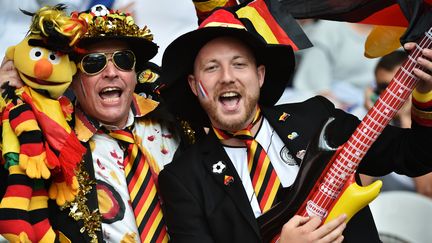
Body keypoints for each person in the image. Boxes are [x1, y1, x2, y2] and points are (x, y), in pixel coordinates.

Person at [156, 8, 432, 243]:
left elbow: (417, 155)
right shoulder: (183, 179)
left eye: (239, 64)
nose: (227, 77)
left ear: (260, 76)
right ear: (194, 85)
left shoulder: (317, 118)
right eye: (211, 68)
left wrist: (426, 95)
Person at [0, 5, 180, 242]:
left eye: (123, 60)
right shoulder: (50, 139)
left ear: (135, 73)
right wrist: (5, 100)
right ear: (72, 78)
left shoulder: (178, 118)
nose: (111, 73)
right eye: (94, 63)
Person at [359, 50, 432, 198]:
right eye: (381, 87)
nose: (387, 94)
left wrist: (405, 119)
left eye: (394, 86)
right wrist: (377, 120)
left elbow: (427, 190)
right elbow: (359, 185)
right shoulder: (366, 117)